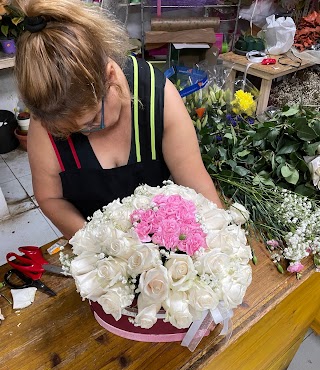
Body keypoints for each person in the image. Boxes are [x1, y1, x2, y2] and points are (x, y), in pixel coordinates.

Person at [14, 0, 223, 240]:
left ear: (110, 75)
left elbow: (198, 188)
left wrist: (222, 245)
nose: (85, 133)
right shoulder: (49, 114)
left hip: (163, 245)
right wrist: (97, 246)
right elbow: (50, 197)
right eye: (69, 131)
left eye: (92, 120)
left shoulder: (158, 95)